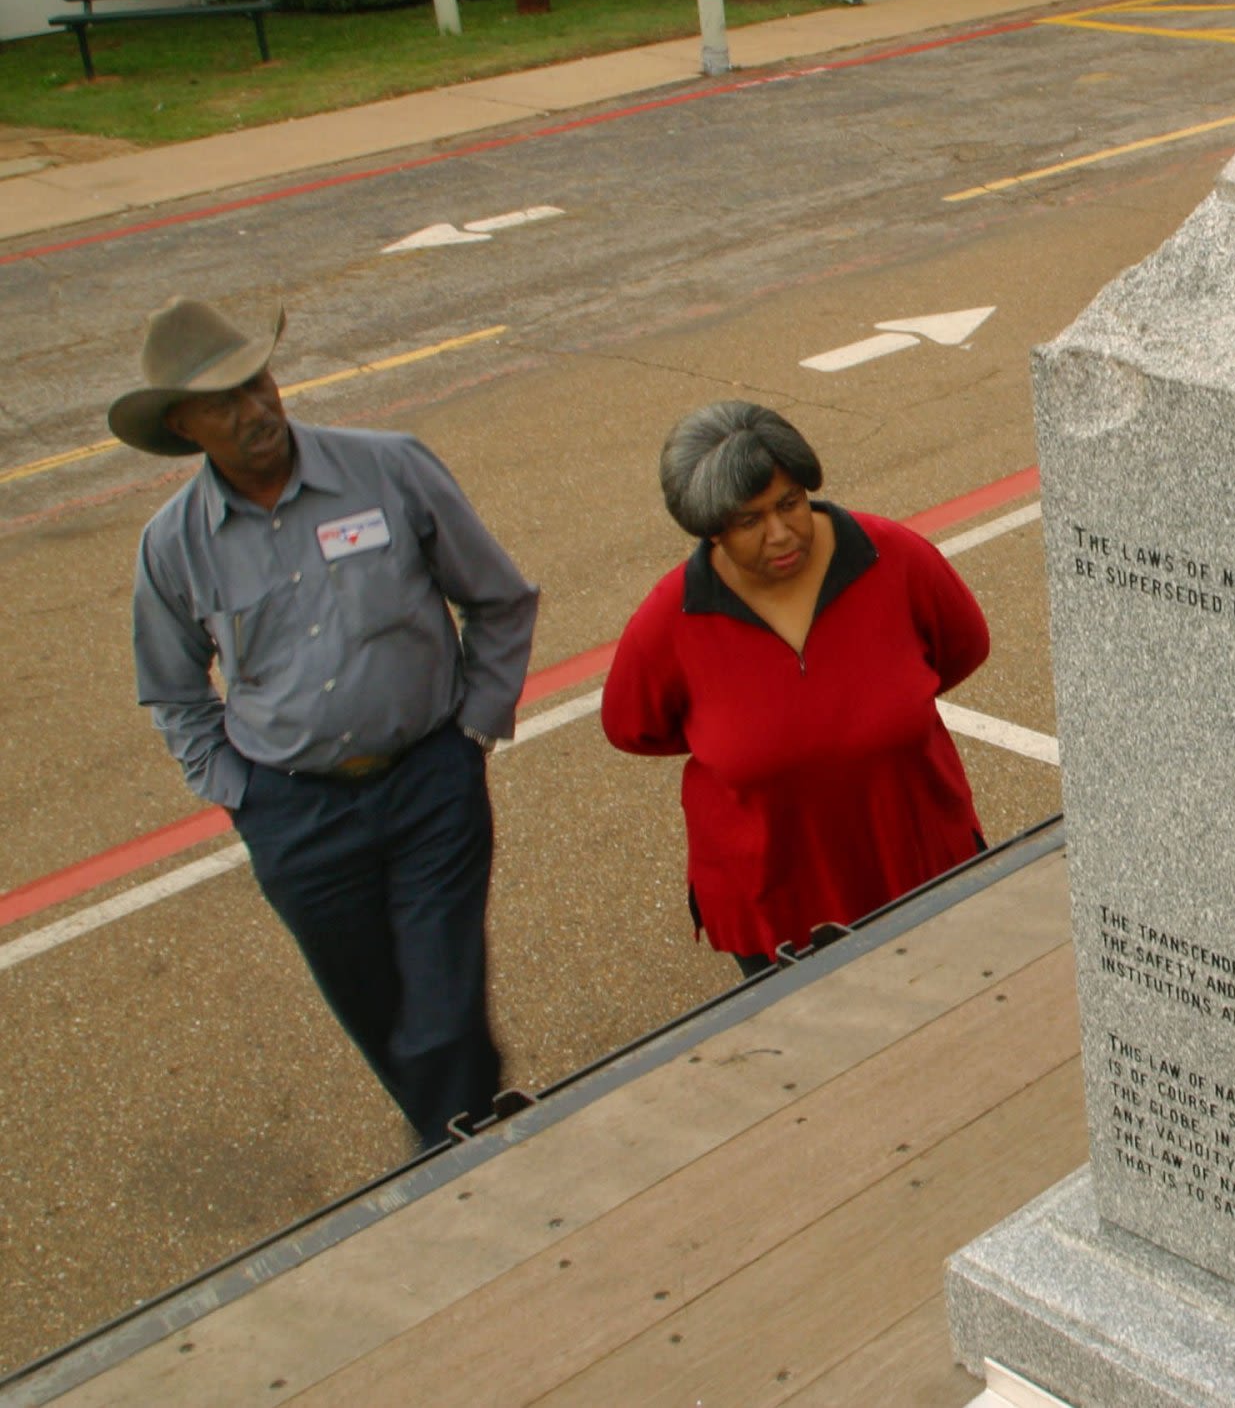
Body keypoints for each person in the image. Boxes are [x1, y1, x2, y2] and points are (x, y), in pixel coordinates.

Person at [118, 297, 539, 1148]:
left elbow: (498, 598)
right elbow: (173, 692)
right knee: (375, 1009)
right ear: (182, 425)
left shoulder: (389, 469)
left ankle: (459, 1158)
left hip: (429, 780)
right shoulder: (173, 546)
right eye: (222, 402)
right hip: (294, 814)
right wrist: (240, 794)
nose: (255, 410)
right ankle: (465, 1132)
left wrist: (474, 731)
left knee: (442, 1003)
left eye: (258, 383)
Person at [602, 401, 989, 973]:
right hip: (775, 902)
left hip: (921, 863)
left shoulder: (895, 558)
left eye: (789, 504)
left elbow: (963, 646)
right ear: (711, 529)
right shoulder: (669, 621)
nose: (781, 534)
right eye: (749, 521)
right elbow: (632, 726)